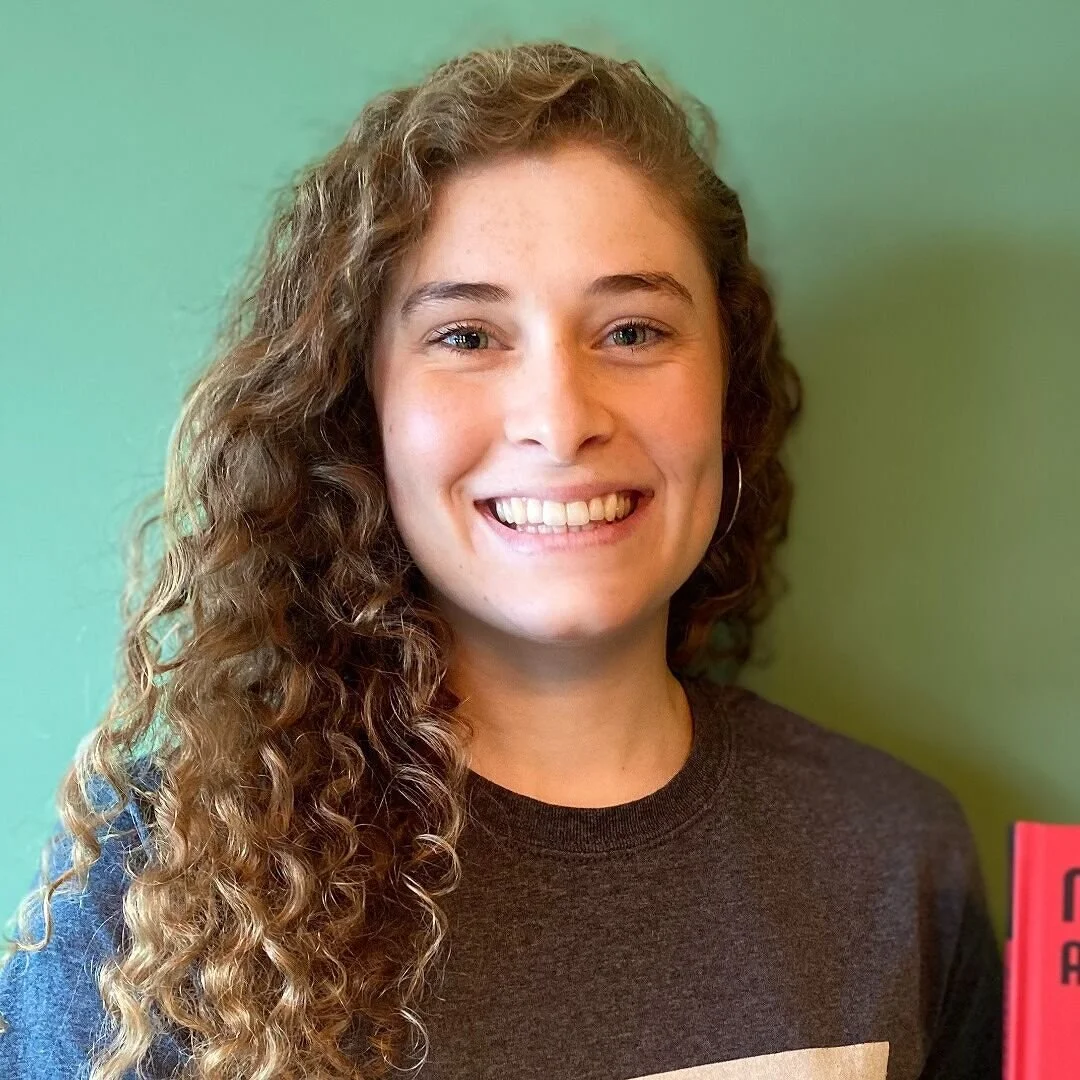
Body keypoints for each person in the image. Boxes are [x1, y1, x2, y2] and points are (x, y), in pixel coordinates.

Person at [0, 40, 1001, 1080]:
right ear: (360, 412)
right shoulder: (161, 894)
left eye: (632, 330)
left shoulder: (895, 860)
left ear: (725, 394)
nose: (561, 421)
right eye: (468, 337)